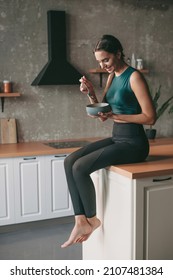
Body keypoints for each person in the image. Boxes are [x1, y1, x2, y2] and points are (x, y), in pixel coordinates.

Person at [61, 34, 156, 248]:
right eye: (100, 62)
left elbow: (150, 117)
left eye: (106, 60)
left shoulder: (134, 77)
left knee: (80, 168)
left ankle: (92, 219)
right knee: (69, 162)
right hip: (117, 137)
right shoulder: (112, 76)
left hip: (134, 144)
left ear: (118, 54)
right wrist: (90, 93)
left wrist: (118, 117)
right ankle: (80, 220)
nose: (104, 65)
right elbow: (104, 112)